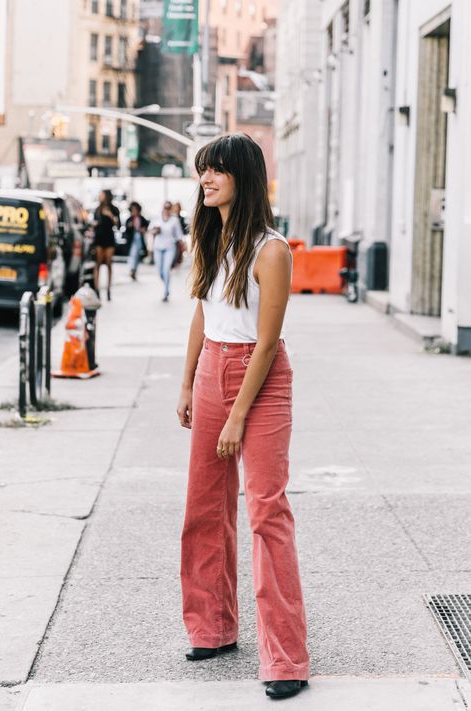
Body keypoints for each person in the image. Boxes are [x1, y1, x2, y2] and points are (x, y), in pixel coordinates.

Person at [177, 134, 310, 700]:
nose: (204, 180)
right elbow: (203, 316)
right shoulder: (212, 235)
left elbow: (267, 341)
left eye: (215, 172)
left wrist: (236, 416)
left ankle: (286, 659)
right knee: (204, 506)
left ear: (243, 178)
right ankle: (213, 627)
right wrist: (187, 382)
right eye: (202, 171)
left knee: (265, 512)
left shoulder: (271, 249)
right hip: (212, 369)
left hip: (260, 377)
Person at [150, 201, 183, 302]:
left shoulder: (174, 220)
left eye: (169, 208)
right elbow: (150, 230)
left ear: (171, 209)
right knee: (160, 271)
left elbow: (179, 235)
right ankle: (166, 285)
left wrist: (181, 248)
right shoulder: (157, 218)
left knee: (166, 269)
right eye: (165, 207)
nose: (166, 210)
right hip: (158, 247)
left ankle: (166, 291)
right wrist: (155, 231)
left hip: (170, 247)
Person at [93, 190, 120, 300]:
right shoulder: (97, 209)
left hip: (109, 238)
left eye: (102, 195)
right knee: (98, 263)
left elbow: (118, 225)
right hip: (99, 237)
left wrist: (110, 215)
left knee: (109, 263)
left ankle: (108, 289)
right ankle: (97, 288)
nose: (100, 197)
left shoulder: (114, 209)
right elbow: (94, 222)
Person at [125, 202, 149, 281]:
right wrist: (129, 226)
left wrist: (143, 229)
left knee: (137, 255)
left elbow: (146, 226)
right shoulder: (129, 219)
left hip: (140, 239)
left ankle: (134, 270)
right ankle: (132, 269)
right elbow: (126, 230)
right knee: (133, 254)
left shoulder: (142, 219)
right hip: (132, 239)